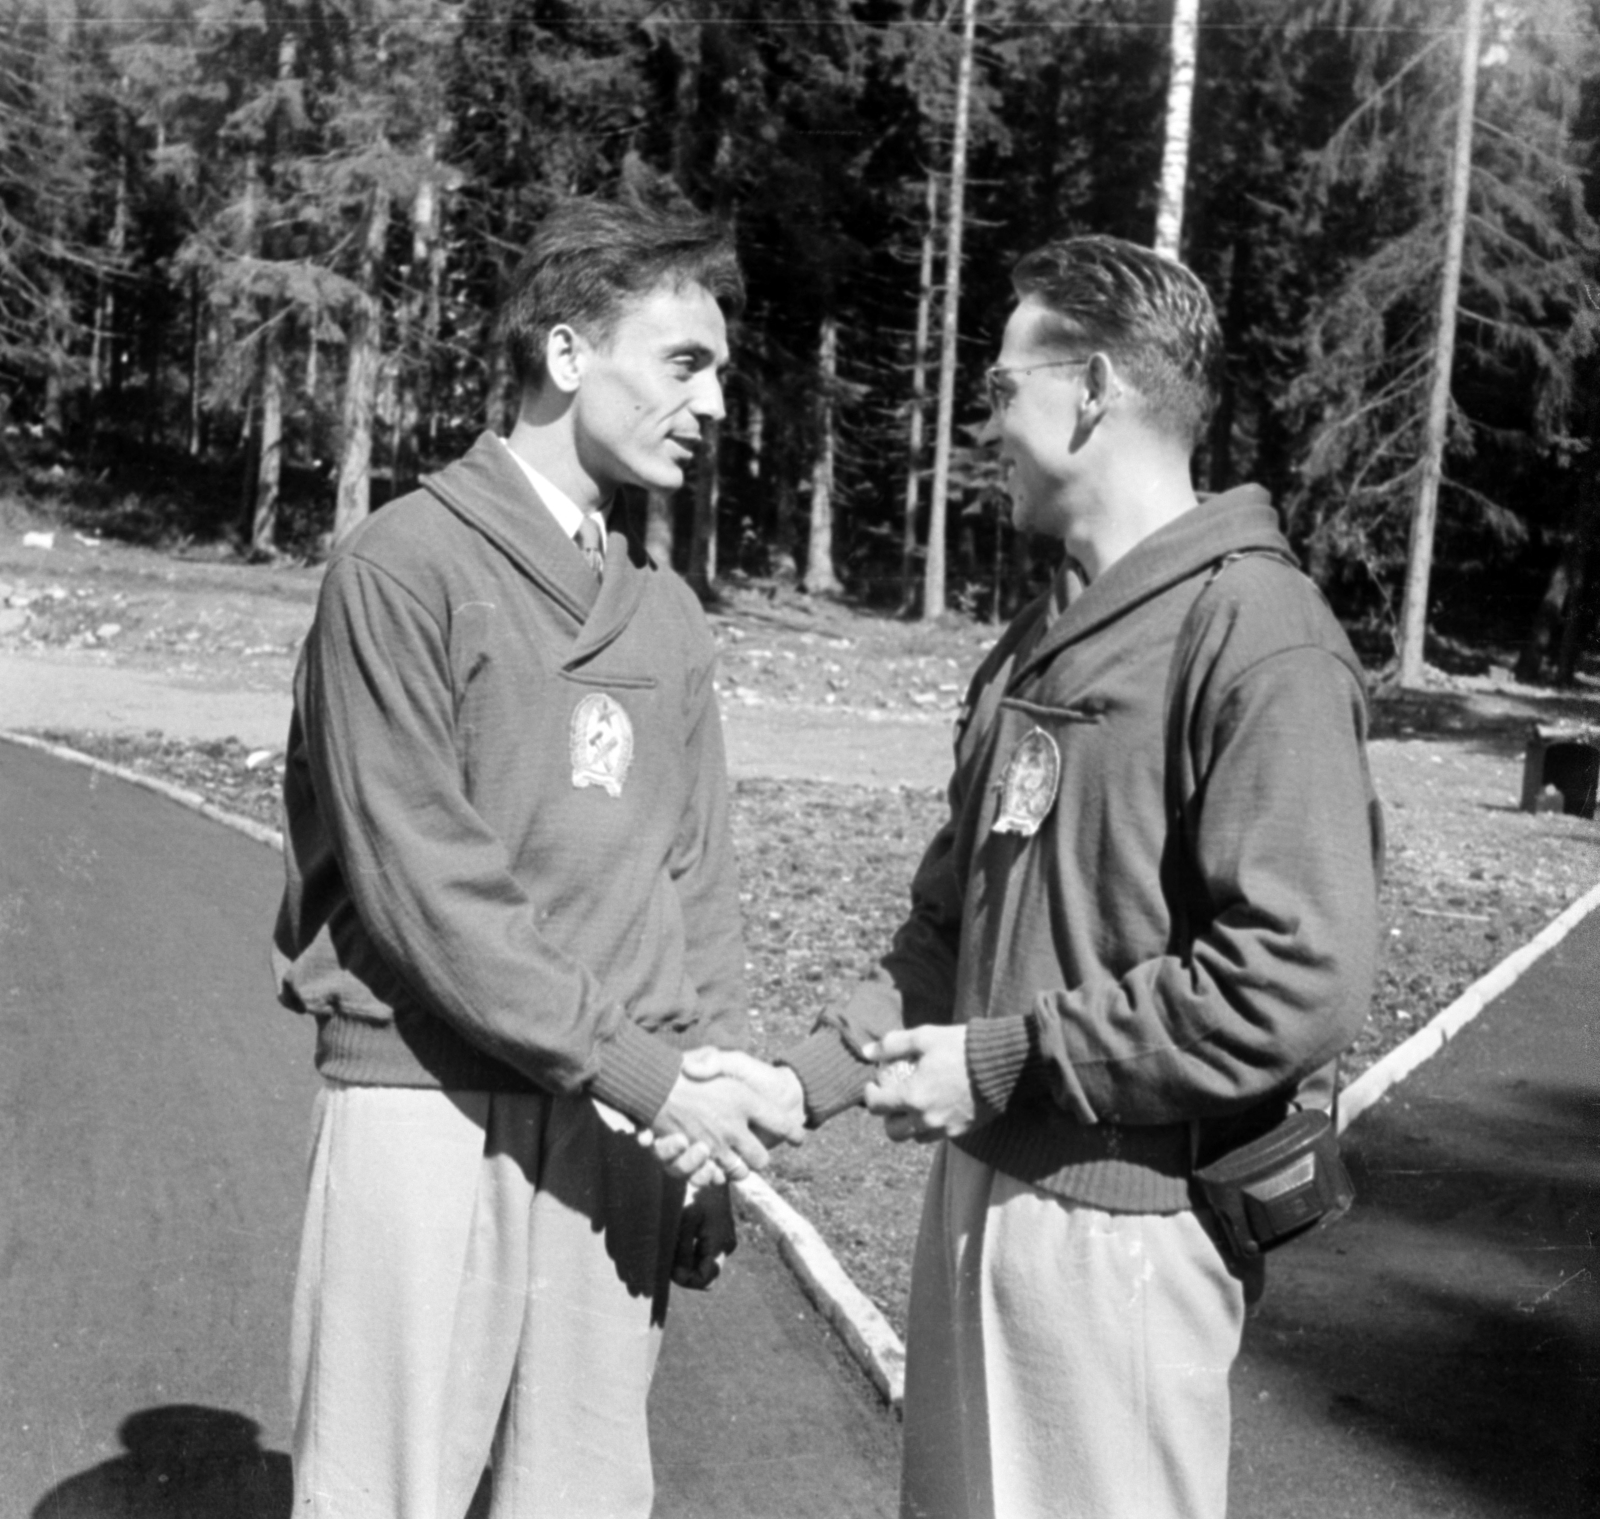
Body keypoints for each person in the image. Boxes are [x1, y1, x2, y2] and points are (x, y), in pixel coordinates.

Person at [673, 234, 1383, 1518]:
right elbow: (953, 926)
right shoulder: (1032, 644)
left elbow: (1296, 977)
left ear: (1094, 390)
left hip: (1128, 1237)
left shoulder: (1257, 634)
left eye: (1004, 389)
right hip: (977, 1205)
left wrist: (1000, 1063)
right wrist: (806, 1079)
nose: (983, 422)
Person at [272, 188, 802, 1519]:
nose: (717, 402)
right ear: (567, 352)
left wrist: (701, 1129)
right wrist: (654, 1077)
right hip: (426, 1099)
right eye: (685, 363)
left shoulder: (667, 616)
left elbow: (694, 883)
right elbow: (428, 889)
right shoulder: (403, 567)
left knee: (582, 1493)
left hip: (622, 1123)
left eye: (723, 372)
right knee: (381, 1491)